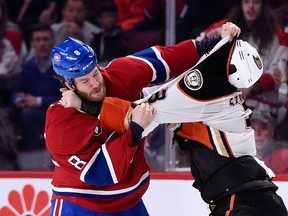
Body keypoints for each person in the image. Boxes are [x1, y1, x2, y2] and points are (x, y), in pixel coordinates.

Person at [54, 29, 287, 215]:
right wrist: (213, 42)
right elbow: (166, 59)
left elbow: (141, 115)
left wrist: (85, 106)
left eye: (95, 73)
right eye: (85, 79)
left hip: (241, 202)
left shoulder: (200, 92)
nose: (96, 82)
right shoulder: (223, 92)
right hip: (255, 196)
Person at [196, 0, 288, 122]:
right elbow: (196, 47)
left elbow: (278, 74)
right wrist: (208, 42)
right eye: (246, 2)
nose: (251, 6)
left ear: (263, 6)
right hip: (226, 104)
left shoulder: (278, 36)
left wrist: (253, 86)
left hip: (264, 109)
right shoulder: (225, 28)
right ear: (240, 5)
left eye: (256, 2)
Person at [10, 23, 61, 153]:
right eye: (37, 40)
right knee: (8, 113)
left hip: (56, 114)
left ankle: (33, 154)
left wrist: (38, 101)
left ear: (53, 42)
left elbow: (66, 98)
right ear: (32, 44)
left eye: (45, 39)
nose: (42, 44)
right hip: (32, 110)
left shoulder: (62, 67)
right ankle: (10, 156)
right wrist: (18, 99)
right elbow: (17, 92)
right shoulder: (28, 66)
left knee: (28, 114)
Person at [90, 2, 131, 66]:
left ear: (117, 18)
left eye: (113, 16)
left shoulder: (122, 41)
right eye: (107, 16)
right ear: (99, 19)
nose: (110, 19)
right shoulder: (96, 39)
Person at [251, 108, 288, 174]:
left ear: (272, 132)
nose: (257, 133)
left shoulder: (284, 157)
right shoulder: (237, 157)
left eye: (263, 128)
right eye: (253, 128)